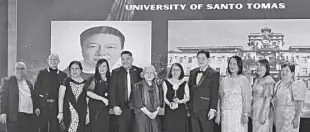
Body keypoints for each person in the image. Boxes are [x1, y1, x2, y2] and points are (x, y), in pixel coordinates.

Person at [0, 62, 40, 132]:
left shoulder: (29, 83)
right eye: (17, 68)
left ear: (25, 71)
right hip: (15, 117)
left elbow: (32, 97)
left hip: (29, 116)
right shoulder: (8, 81)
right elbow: (3, 98)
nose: (20, 70)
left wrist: (36, 107)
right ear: (14, 70)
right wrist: (3, 112)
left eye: (22, 69)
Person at [215, 56, 251, 132]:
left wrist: (245, 114)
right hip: (226, 114)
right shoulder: (224, 80)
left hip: (238, 114)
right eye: (230, 64)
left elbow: (246, 98)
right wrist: (218, 114)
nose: (232, 66)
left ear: (239, 65)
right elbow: (219, 98)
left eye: (235, 64)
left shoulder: (243, 79)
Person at [109, 51, 143, 132]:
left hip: (136, 109)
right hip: (121, 109)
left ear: (132, 59)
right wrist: (114, 106)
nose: (125, 61)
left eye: (128, 59)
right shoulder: (115, 72)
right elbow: (112, 91)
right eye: (123, 59)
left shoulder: (139, 71)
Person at [188, 50, 220, 132]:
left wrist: (213, 110)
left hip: (206, 110)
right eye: (198, 58)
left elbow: (214, 93)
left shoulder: (214, 73)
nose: (200, 60)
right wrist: (188, 107)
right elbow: (189, 90)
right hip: (193, 110)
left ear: (208, 59)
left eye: (203, 58)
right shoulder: (192, 72)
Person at [34, 53, 67, 132]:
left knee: (55, 128)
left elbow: (64, 93)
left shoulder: (63, 75)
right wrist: (36, 106)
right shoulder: (42, 73)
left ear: (59, 61)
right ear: (48, 61)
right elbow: (36, 90)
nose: (53, 61)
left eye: (55, 59)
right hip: (43, 106)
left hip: (57, 107)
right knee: (42, 128)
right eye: (51, 59)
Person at [273, 63, 306, 132]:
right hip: (278, 116)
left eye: (287, 70)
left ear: (293, 73)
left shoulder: (295, 84)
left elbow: (299, 102)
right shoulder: (278, 84)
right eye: (282, 70)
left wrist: (297, 118)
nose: (284, 72)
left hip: (290, 117)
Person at [57, 61, 88, 132]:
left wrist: (88, 113)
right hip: (68, 112)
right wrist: (60, 112)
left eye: (77, 68)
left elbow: (87, 99)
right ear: (69, 70)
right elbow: (60, 97)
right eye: (72, 69)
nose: (74, 71)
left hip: (82, 112)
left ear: (81, 70)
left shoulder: (86, 83)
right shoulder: (65, 81)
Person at [132, 65, 162, 132]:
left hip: (154, 116)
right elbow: (138, 102)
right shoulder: (137, 86)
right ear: (143, 74)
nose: (149, 75)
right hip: (142, 117)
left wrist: (155, 113)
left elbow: (160, 101)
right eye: (147, 73)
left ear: (154, 75)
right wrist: (149, 114)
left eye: (151, 73)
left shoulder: (158, 86)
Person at [162, 63, 190, 132]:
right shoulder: (165, 82)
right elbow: (164, 97)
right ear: (171, 71)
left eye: (178, 70)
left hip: (181, 111)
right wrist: (170, 104)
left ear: (181, 72)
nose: (175, 72)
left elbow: (187, 98)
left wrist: (179, 101)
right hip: (169, 110)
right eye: (173, 69)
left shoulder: (184, 83)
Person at [84, 59, 110, 132]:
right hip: (95, 110)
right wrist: (103, 99)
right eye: (99, 66)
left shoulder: (110, 79)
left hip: (106, 110)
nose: (101, 68)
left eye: (104, 66)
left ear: (107, 68)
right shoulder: (93, 79)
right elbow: (88, 93)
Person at [251, 59, 275, 132]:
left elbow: (268, 99)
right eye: (257, 66)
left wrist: (263, 114)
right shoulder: (256, 80)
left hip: (263, 110)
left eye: (261, 66)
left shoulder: (268, 80)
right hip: (255, 110)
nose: (258, 67)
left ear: (266, 68)